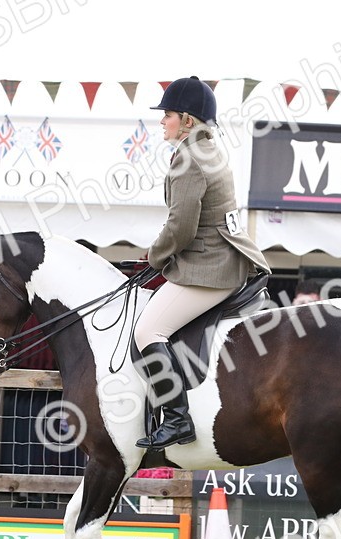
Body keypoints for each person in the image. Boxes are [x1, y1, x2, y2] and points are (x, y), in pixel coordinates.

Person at [133, 76, 271, 450]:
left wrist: (155, 257)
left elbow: (180, 229)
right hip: (221, 260)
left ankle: (177, 419)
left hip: (210, 268)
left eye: (169, 115)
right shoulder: (208, 149)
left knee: (147, 332)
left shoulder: (189, 160)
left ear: (188, 121)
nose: (162, 121)